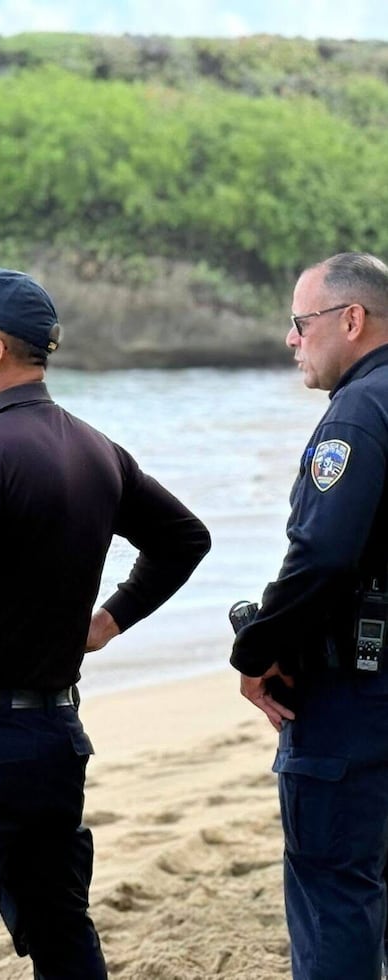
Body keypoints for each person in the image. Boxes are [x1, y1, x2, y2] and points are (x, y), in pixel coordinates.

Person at [0, 267, 212, 979]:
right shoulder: (96, 449)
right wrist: (107, 622)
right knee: (62, 931)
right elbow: (185, 539)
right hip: (52, 739)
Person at [230, 252, 388, 980]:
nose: (291, 339)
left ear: (351, 320)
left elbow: (322, 555)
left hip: (354, 697)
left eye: (301, 322)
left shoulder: (358, 412)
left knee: (335, 894)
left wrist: (255, 650)